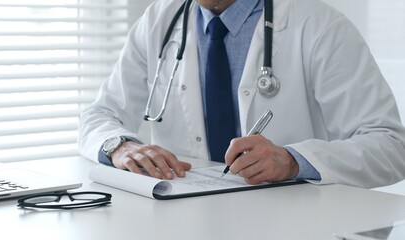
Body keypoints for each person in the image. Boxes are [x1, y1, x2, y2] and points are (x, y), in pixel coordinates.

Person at [78, 0, 405, 188]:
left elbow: (390, 146)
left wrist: (293, 161)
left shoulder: (320, 26)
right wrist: (120, 147)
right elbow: (99, 115)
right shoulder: (158, 21)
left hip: (293, 226)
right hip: (183, 223)